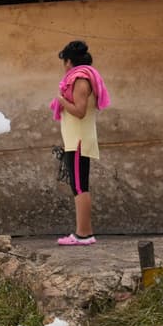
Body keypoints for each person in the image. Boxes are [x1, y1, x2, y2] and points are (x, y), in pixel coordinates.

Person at [50, 40, 110, 246]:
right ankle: (84, 232)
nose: (63, 66)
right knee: (78, 186)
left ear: (69, 62)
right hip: (76, 140)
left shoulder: (80, 80)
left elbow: (79, 111)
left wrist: (61, 100)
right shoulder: (83, 78)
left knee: (79, 186)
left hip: (78, 142)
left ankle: (83, 234)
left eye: (64, 61)